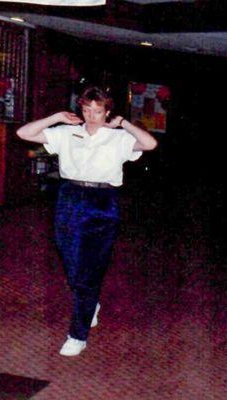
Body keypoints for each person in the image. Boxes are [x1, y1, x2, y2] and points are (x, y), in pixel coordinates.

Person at [17, 86, 157, 356]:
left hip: (102, 202)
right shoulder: (67, 133)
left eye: (97, 111)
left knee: (89, 270)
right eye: (86, 110)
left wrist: (124, 123)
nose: (91, 116)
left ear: (107, 112)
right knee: (70, 261)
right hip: (70, 196)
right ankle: (90, 304)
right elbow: (24, 133)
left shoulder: (118, 138)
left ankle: (77, 335)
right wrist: (55, 117)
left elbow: (150, 144)